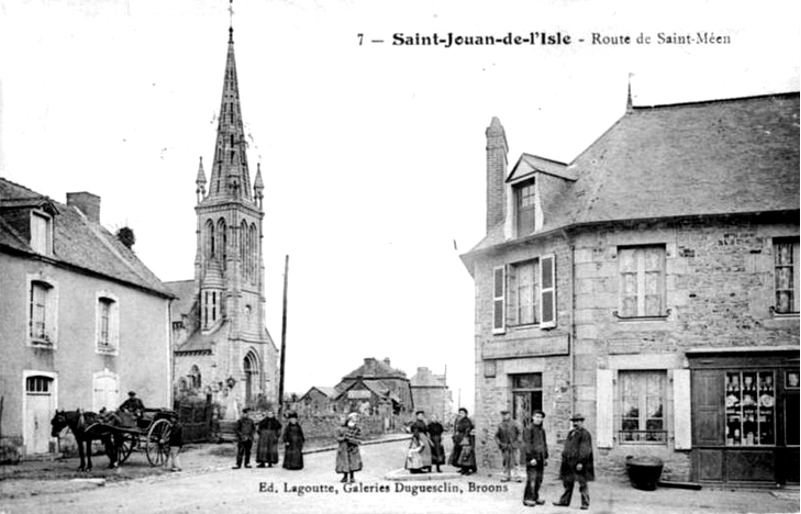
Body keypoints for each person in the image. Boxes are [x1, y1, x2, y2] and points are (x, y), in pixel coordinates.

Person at [554, 413, 594, 510]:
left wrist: (581, 462)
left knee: (582, 483)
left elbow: (585, 449)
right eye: (574, 421)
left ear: (582, 422)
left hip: (579, 463)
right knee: (568, 483)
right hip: (569, 462)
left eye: (578, 421)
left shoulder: (585, 434)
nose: (576, 423)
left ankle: (585, 503)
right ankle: (564, 501)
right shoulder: (571, 433)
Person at [522, 410, 548, 507]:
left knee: (539, 479)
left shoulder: (542, 430)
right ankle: (528, 498)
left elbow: (544, 444)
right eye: (537, 417)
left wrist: (546, 457)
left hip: (540, 457)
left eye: (540, 417)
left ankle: (535, 497)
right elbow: (527, 444)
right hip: (532, 459)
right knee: (531, 479)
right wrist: (531, 458)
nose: (539, 419)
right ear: (533, 417)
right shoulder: (528, 429)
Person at [495, 409, 522, 482]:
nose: (504, 416)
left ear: (509, 415)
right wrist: (500, 444)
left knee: (516, 461)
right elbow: (496, 436)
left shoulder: (515, 423)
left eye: (506, 414)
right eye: (503, 415)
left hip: (514, 445)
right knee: (505, 462)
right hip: (505, 445)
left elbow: (520, 433)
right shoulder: (500, 425)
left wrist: (517, 442)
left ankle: (517, 476)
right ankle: (506, 476)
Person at [335, 412, 363, 483]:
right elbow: (337, 438)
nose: (342, 422)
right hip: (343, 448)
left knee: (352, 462)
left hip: (352, 447)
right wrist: (344, 438)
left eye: (344, 420)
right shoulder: (339, 429)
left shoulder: (352, 427)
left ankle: (352, 477)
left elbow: (356, 435)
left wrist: (353, 439)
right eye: (341, 420)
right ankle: (345, 477)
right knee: (344, 463)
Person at [449, 407, 477, 475]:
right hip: (459, 439)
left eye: (462, 413)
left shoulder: (466, 421)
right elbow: (456, 429)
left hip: (465, 438)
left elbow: (467, 429)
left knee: (466, 454)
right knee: (460, 454)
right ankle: (463, 468)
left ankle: (467, 469)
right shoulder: (459, 420)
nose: (460, 414)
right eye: (460, 413)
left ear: (466, 414)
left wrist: (465, 438)